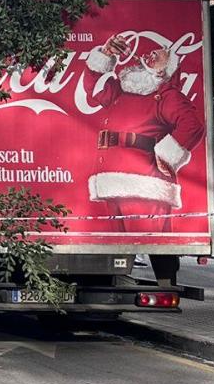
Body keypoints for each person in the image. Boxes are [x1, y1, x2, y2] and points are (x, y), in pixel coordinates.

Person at [82, 32, 206, 234]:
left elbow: (192, 126)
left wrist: (165, 156)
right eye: (149, 54)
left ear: (165, 70)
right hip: (111, 180)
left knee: (155, 244)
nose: (149, 56)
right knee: (119, 248)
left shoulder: (167, 95)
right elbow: (93, 90)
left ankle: (167, 265)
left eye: (158, 56)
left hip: (146, 183)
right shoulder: (120, 91)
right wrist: (106, 54)